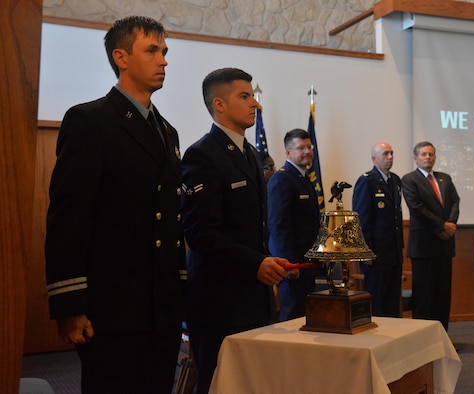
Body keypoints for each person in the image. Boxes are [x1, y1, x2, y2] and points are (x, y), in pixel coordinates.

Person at [44, 16, 186, 393]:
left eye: (165, 51)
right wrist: (70, 303)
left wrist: (178, 291)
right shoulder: (90, 120)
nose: (164, 60)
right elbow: (68, 218)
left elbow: (171, 219)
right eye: (152, 50)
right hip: (113, 306)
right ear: (121, 58)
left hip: (161, 306)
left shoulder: (167, 130)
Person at [181, 67, 289, 394]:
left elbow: (253, 226)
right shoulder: (203, 154)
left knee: (252, 382)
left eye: (253, 96)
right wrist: (254, 263)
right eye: (244, 96)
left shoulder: (252, 155)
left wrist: (269, 260)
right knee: (219, 382)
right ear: (220, 104)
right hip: (219, 298)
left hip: (253, 294)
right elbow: (200, 233)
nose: (255, 103)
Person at [401, 141, 460, 331]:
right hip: (424, 247)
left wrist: (450, 225)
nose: (428, 157)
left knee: (443, 297)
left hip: (445, 246)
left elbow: (455, 202)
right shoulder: (410, 180)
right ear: (415, 158)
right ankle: (423, 343)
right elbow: (417, 209)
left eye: (431, 154)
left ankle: (443, 339)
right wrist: (442, 226)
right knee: (424, 298)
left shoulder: (445, 178)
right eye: (424, 154)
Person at [267, 129, 321, 321]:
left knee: (306, 317)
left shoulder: (303, 178)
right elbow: (279, 226)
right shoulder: (282, 180)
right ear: (288, 153)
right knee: (293, 317)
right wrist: (289, 263)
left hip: (306, 262)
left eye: (309, 147)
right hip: (294, 264)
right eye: (301, 148)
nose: (307, 151)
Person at [352, 142, 404, 317]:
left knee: (392, 301)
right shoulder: (367, 181)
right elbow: (361, 220)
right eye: (385, 154)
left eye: (391, 153)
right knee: (378, 302)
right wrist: (365, 251)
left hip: (394, 252)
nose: (390, 157)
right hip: (375, 254)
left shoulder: (395, 180)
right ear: (374, 159)